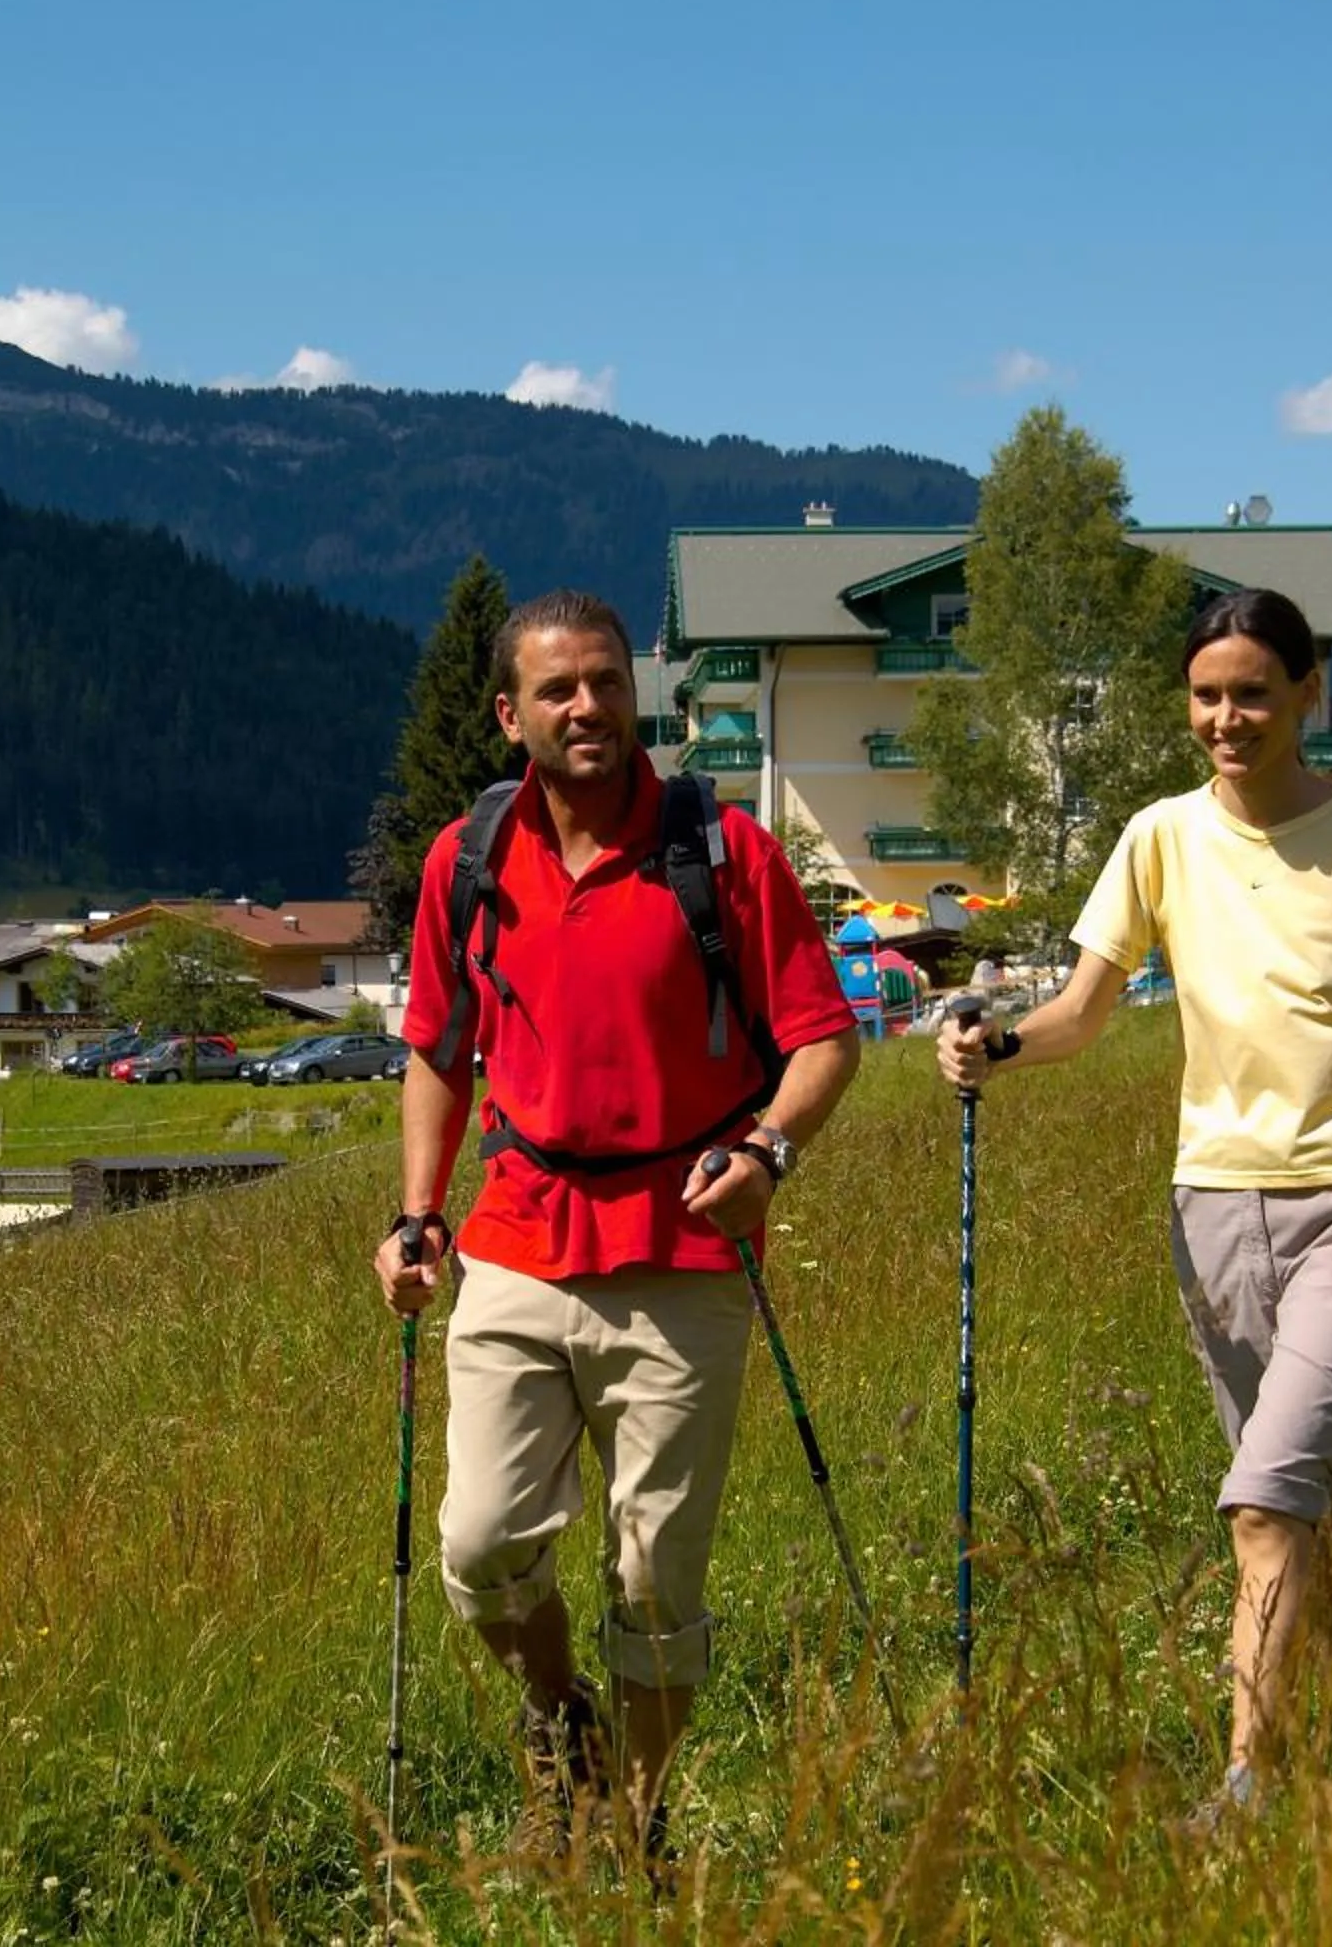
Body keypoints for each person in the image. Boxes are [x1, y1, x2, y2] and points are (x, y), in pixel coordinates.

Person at [935, 586, 1332, 1820]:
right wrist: (1003, 1050)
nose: (1228, 718)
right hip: (1213, 1211)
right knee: (1303, 1493)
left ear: (1309, 692)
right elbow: (1082, 1011)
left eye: (1253, 692)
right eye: (1207, 695)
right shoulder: (1159, 838)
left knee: (1260, 1503)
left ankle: (1250, 1779)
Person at [376, 590, 862, 1867]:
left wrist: (770, 1151)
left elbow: (823, 1035)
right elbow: (437, 1052)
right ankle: (560, 1724)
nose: (586, 707)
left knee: (653, 1583)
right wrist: (416, 1217)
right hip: (517, 1235)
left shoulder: (722, 848)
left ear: (632, 691)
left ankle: (631, 1823)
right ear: (510, 714)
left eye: (603, 681)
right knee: (480, 1547)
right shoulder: (467, 860)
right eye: (556, 690)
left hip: (686, 1254)